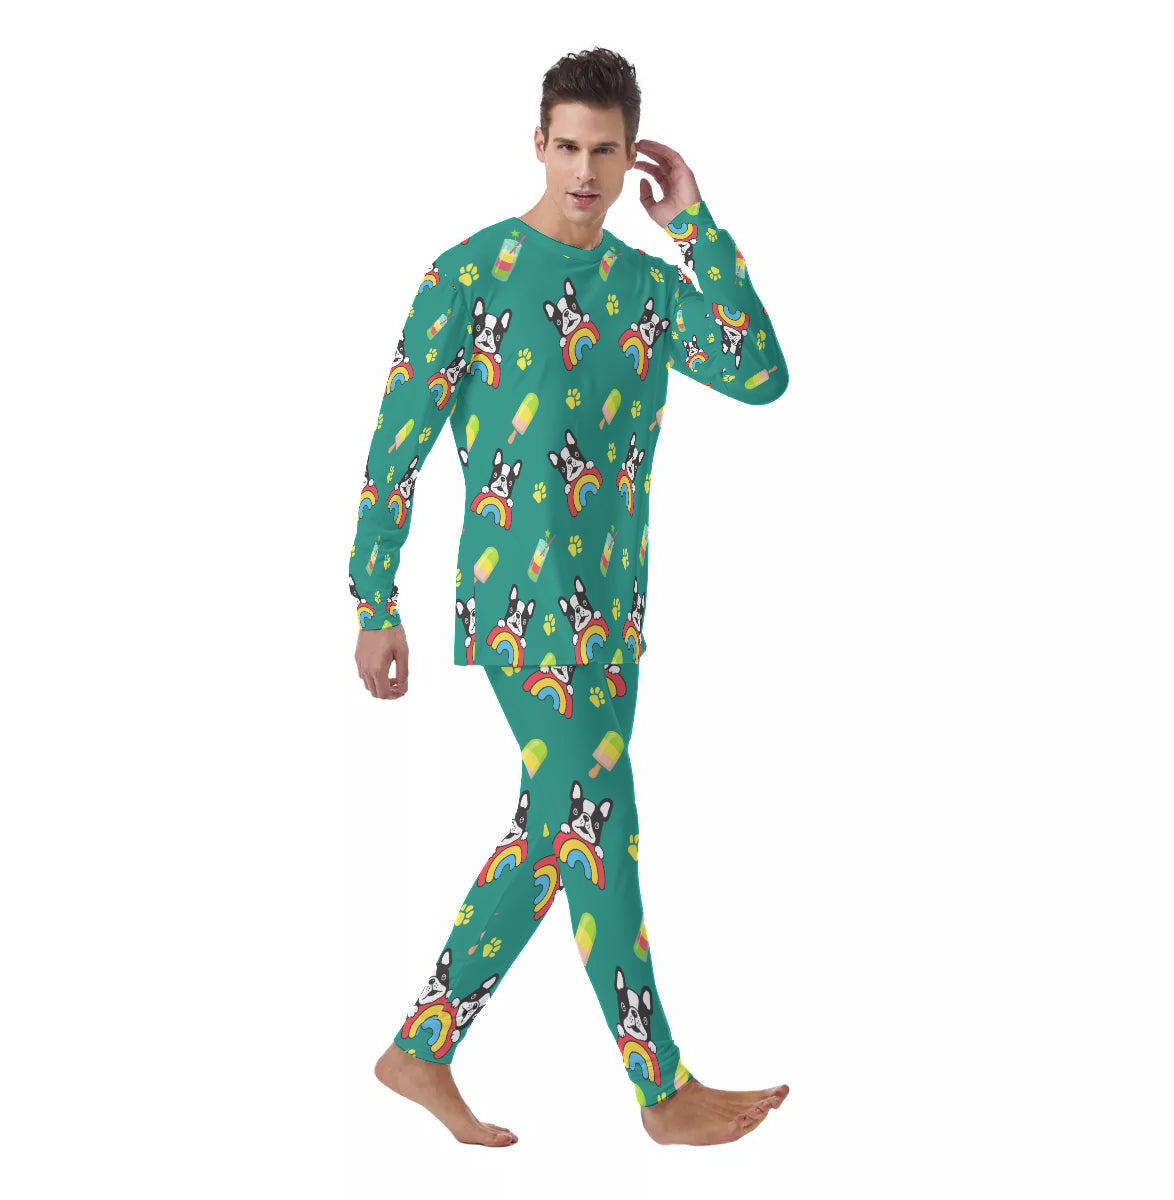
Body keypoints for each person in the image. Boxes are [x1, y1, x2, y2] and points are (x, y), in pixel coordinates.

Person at [350, 47, 790, 1146]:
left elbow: (759, 370)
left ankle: (425, 1048)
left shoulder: (647, 291)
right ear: (537, 145)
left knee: (573, 825)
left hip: (616, 613)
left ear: (632, 156)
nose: (585, 172)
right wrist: (374, 599)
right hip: (519, 605)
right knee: (594, 818)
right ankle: (659, 1089)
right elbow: (396, 447)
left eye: (606, 151)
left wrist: (695, 228)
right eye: (569, 147)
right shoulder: (469, 275)